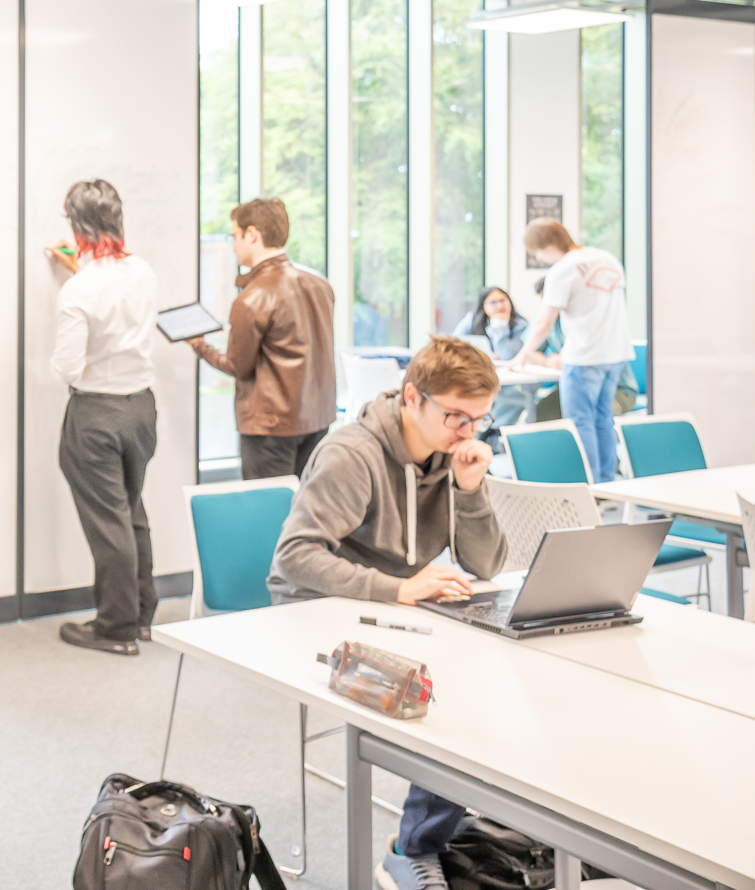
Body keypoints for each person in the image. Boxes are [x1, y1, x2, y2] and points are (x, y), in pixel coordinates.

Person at [267, 335, 507, 890]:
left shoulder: (451, 455)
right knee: (451, 693)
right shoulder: (353, 454)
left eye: (479, 419)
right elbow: (295, 557)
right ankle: (412, 849)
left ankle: (464, 828)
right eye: (454, 416)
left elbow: (487, 562)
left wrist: (470, 489)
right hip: (315, 610)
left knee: (500, 666)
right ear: (410, 398)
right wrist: (398, 589)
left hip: (395, 603)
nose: (467, 431)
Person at [45, 179, 161, 656]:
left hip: (95, 415)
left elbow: (66, 368)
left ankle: (116, 628)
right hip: (141, 411)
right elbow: (114, 288)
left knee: (108, 523)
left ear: (76, 227)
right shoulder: (143, 272)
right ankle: (142, 614)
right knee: (130, 511)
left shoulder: (79, 291)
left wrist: (77, 276)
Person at [188, 197, 337, 480]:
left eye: (235, 236)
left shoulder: (252, 298)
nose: (233, 246)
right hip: (317, 420)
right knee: (305, 509)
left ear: (252, 234)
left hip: (271, 428)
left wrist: (200, 346)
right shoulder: (320, 285)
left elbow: (236, 366)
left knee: (268, 514)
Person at [517, 219, 632, 482]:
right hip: (615, 353)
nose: (538, 258)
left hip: (584, 356)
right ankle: (605, 481)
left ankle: (588, 484)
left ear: (545, 246)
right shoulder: (608, 259)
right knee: (602, 418)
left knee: (580, 422)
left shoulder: (562, 270)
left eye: (536, 252)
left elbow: (544, 321)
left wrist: (523, 353)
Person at [453, 286, 537, 427]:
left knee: (510, 397)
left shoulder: (520, 325)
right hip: (477, 376)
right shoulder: (472, 320)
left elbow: (508, 355)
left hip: (511, 383)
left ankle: (491, 431)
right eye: (492, 302)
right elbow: (454, 344)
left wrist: (499, 326)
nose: (499, 306)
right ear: (483, 306)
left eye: (503, 301)